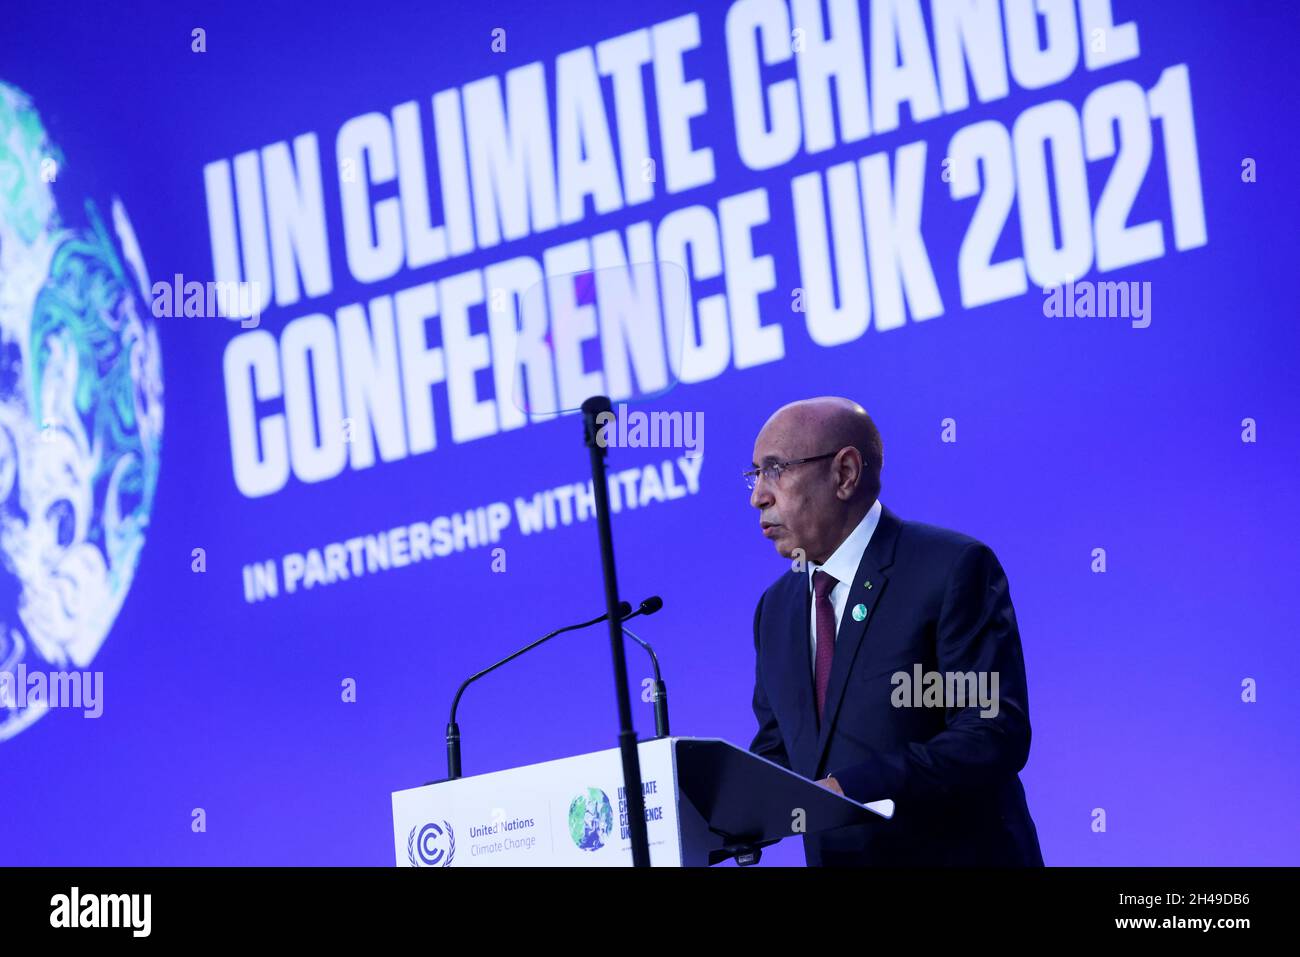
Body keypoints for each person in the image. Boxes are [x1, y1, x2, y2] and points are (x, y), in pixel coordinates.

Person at [747, 397, 1043, 866]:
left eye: (775, 469)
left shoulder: (949, 569)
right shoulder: (776, 611)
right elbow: (777, 752)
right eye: (755, 475)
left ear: (844, 473)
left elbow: (991, 733)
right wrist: (705, 810)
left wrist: (852, 789)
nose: (758, 496)